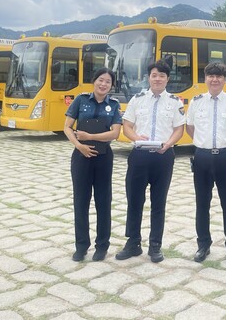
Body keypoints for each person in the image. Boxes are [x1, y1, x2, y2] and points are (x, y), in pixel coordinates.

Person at [115, 60, 185, 263]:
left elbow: (179, 129)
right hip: (139, 156)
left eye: (162, 76)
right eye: (154, 75)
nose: (158, 79)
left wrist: (169, 144)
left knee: (158, 202)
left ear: (167, 79)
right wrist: (136, 138)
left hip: (163, 156)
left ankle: (155, 245)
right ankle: (133, 243)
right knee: (134, 200)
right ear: (149, 78)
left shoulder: (175, 102)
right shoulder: (137, 99)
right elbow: (127, 126)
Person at [186, 62, 226, 264]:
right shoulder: (196, 102)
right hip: (202, 157)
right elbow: (190, 127)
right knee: (202, 203)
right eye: (211, 76)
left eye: (219, 76)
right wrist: (203, 143)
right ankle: (203, 244)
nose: (214, 80)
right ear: (205, 79)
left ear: (224, 80)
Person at [64, 67, 122, 262]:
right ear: (94, 81)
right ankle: (81, 246)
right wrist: (79, 145)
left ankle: (102, 246)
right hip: (81, 157)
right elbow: (67, 126)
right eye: (100, 80)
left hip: (104, 157)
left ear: (111, 86)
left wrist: (90, 137)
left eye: (108, 81)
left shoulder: (114, 105)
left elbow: (115, 133)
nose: (103, 84)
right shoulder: (80, 100)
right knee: (81, 201)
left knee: (103, 201)